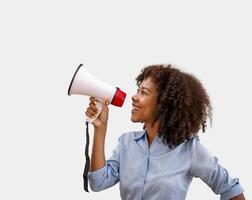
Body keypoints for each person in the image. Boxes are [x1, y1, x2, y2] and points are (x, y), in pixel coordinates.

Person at [85, 64, 245, 200]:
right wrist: (100, 128)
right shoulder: (126, 142)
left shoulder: (189, 149)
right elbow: (98, 183)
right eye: (137, 90)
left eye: (144, 92)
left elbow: (231, 189)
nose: (134, 97)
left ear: (163, 103)